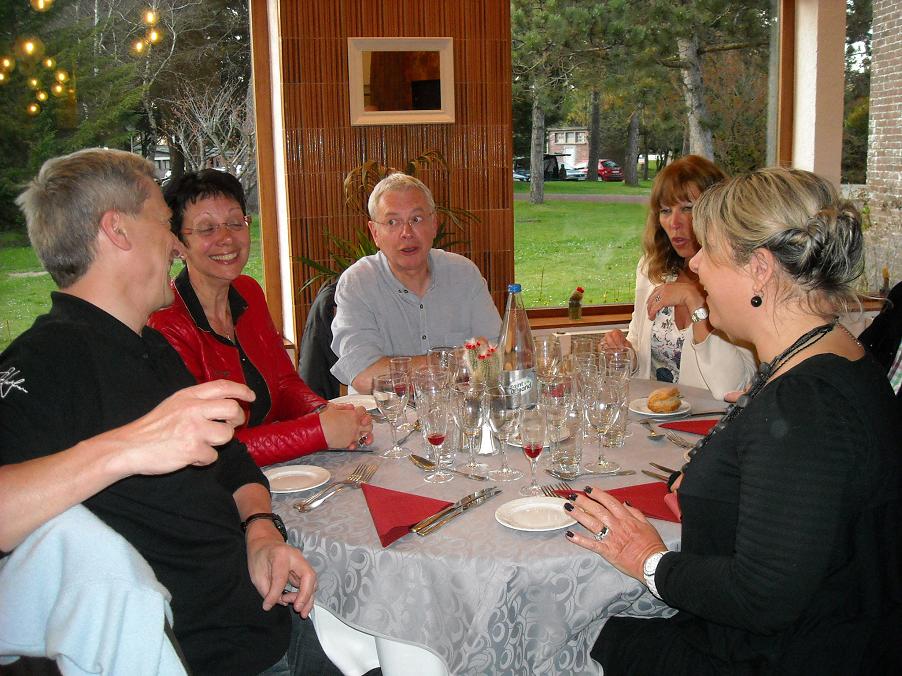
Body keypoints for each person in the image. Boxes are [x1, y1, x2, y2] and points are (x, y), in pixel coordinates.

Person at [0, 149, 333, 675]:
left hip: (267, 617)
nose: (177, 245)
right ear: (118, 230)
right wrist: (128, 447)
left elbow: (235, 465)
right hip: (201, 655)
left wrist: (261, 531)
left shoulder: (149, 347)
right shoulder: (44, 362)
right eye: (163, 222)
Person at [566, 167, 901, 674]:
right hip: (813, 632)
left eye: (710, 250)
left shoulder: (805, 403)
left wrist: (647, 559)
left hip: (783, 655)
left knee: (570, 635)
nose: (694, 263)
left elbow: (762, 599)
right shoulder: (828, 356)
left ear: (760, 269)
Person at [148, 169, 371, 466]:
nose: (226, 238)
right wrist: (318, 432)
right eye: (207, 228)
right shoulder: (167, 324)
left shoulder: (248, 291)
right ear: (178, 243)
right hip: (220, 482)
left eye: (234, 223)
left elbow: (284, 383)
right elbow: (207, 445)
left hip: (274, 469)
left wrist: (326, 413)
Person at [330, 172, 502, 394]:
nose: (407, 233)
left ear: (434, 224)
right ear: (375, 233)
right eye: (392, 222)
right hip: (384, 413)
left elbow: (496, 354)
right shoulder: (358, 283)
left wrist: (400, 370)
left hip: (457, 411)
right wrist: (453, 360)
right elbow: (365, 376)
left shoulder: (464, 273)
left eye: (416, 219)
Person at [604, 155, 755, 400]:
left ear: (717, 212)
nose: (674, 223)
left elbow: (731, 386)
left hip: (713, 420)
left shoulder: (739, 276)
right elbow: (640, 345)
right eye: (665, 211)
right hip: (654, 418)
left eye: (688, 208)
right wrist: (625, 354)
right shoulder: (651, 269)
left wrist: (694, 300)